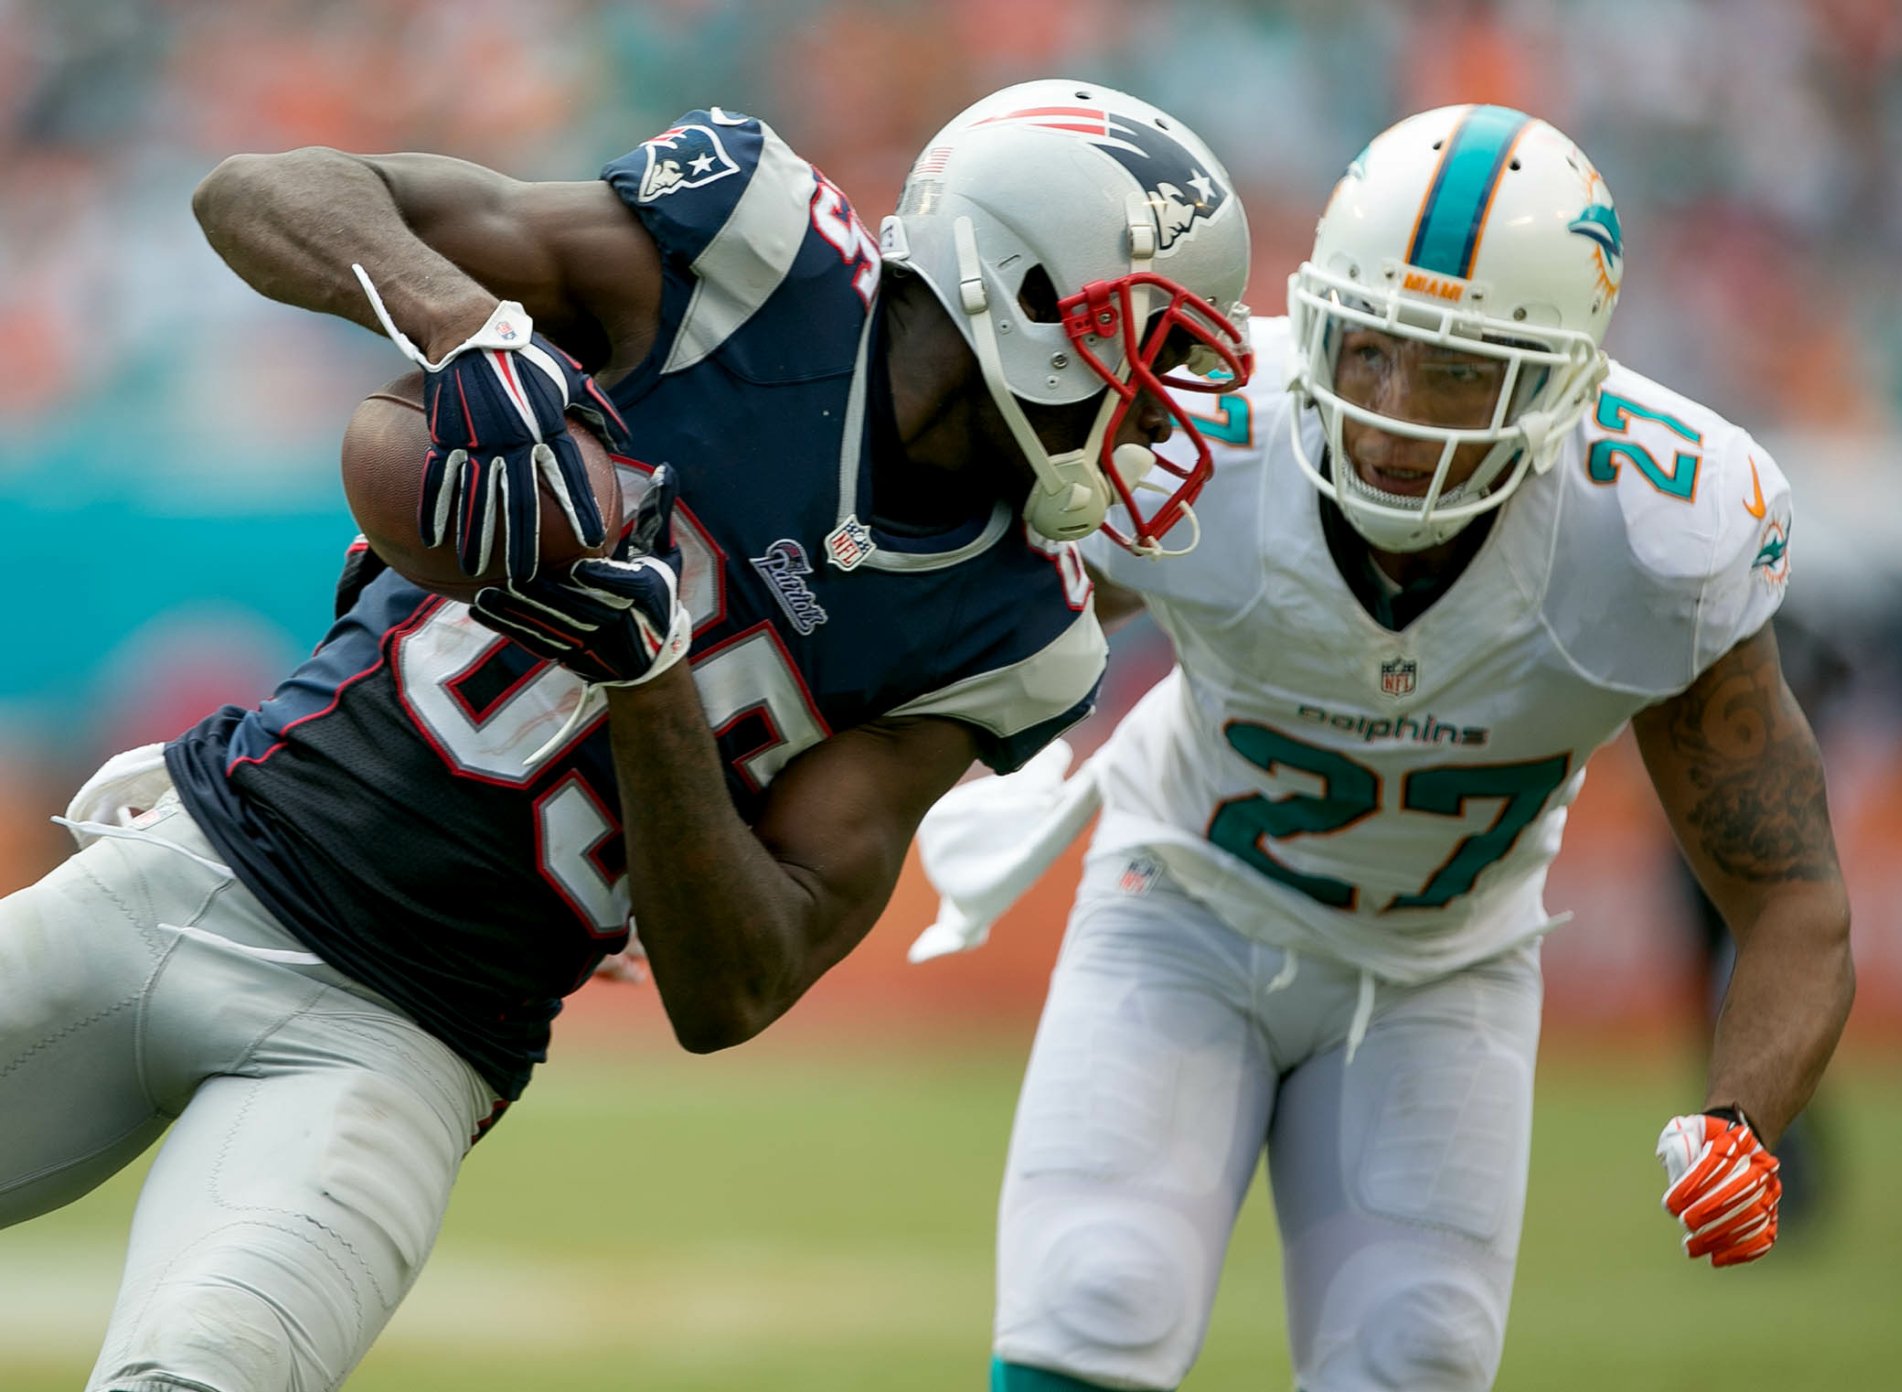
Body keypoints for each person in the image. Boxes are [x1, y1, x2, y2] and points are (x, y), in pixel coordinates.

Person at [0, 78, 1253, 1391]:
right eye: (1149, 349)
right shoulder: (756, 261)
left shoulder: (1016, 630)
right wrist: (474, 335)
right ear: (1032, 297)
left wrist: (647, 678)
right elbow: (258, 191)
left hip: (403, 1042)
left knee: (203, 1374)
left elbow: (738, 985)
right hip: (188, 871)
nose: (1160, 410)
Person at [909, 104, 1853, 1392]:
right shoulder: (1207, 438)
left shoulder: (1654, 535)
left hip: (1442, 966)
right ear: (1318, 323)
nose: (1397, 409)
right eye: (1367, 350)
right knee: (1098, 1293)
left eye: (1462, 368)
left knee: (1417, 1352)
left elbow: (1792, 896)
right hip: (1181, 906)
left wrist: (1745, 1119)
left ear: (1562, 379)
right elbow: (953, 624)